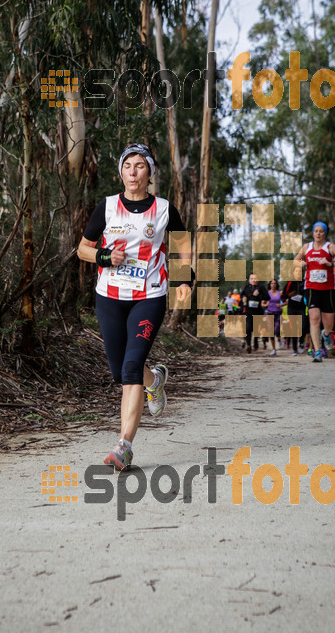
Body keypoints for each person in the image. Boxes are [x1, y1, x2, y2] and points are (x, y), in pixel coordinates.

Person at [77, 143, 193, 469]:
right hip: (110, 297)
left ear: (150, 173)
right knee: (121, 371)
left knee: (130, 369)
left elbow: (183, 248)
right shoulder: (107, 207)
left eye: (140, 165)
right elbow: (82, 250)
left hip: (149, 295)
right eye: (128, 165)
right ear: (121, 171)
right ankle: (154, 381)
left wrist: (185, 281)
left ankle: (124, 446)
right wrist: (104, 256)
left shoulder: (165, 209)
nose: (133, 171)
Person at [294, 222, 335, 363]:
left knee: (328, 323)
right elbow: (295, 261)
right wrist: (301, 263)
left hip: (328, 289)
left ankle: (325, 335)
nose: (318, 233)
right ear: (313, 233)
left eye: (321, 231)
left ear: (325, 233)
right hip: (311, 288)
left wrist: (331, 264)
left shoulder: (330, 247)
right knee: (314, 317)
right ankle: (317, 351)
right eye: (316, 231)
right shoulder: (306, 247)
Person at [241, 274, 270, 354]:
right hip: (248, 311)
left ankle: (256, 341)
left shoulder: (261, 287)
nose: (253, 280)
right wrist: (243, 298)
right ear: (249, 280)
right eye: (251, 278)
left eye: (255, 278)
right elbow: (242, 295)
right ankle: (249, 345)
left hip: (258, 311)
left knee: (256, 328)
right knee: (248, 328)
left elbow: (267, 297)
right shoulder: (246, 288)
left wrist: (260, 294)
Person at [282, 278, 305, 356]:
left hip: (301, 308)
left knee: (303, 325)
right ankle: (295, 349)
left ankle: (301, 342)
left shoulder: (304, 282)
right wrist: (289, 295)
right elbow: (283, 295)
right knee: (294, 328)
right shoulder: (290, 283)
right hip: (292, 308)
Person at [266, 278, 283, 355]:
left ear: (276, 285)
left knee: (277, 330)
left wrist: (281, 305)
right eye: (272, 283)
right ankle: (273, 349)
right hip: (269, 312)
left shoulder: (280, 293)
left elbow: (285, 301)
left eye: (274, 283)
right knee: (271, 331)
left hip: (278, 313)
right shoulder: (267, 293)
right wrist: (265, 304)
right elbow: (262, 303)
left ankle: (279, 339)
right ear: (270, 285)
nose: (273, 285)